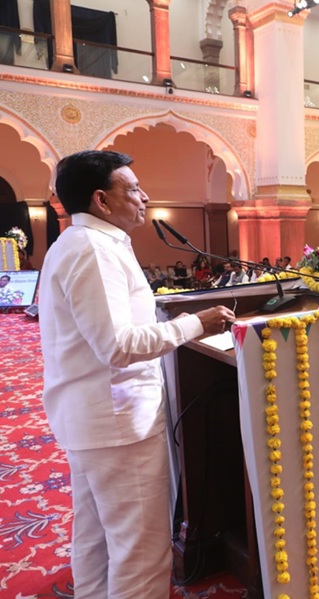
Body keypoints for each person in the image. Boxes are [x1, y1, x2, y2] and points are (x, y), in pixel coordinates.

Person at [40, 150, 235, 598]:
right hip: (117, 425)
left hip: (92, 421)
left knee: (96, 539)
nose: (144, 197)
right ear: (101, 201)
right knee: (141, 552)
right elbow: (117, 345)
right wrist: (195, 324)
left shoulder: (76, 243)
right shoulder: (93, 251)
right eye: (132, 188)